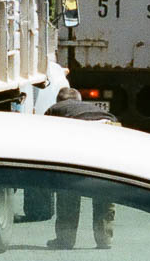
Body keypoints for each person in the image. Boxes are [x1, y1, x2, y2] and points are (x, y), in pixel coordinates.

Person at [44, 88, 118, 248]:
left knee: (69, 189)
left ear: (59, 100)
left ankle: (65, 240)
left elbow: (46, 137)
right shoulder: (95, 109)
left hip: (79, 134)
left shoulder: (55, 109)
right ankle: (104, 238)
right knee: (103, 188)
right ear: (79, 100)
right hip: (109, 128)